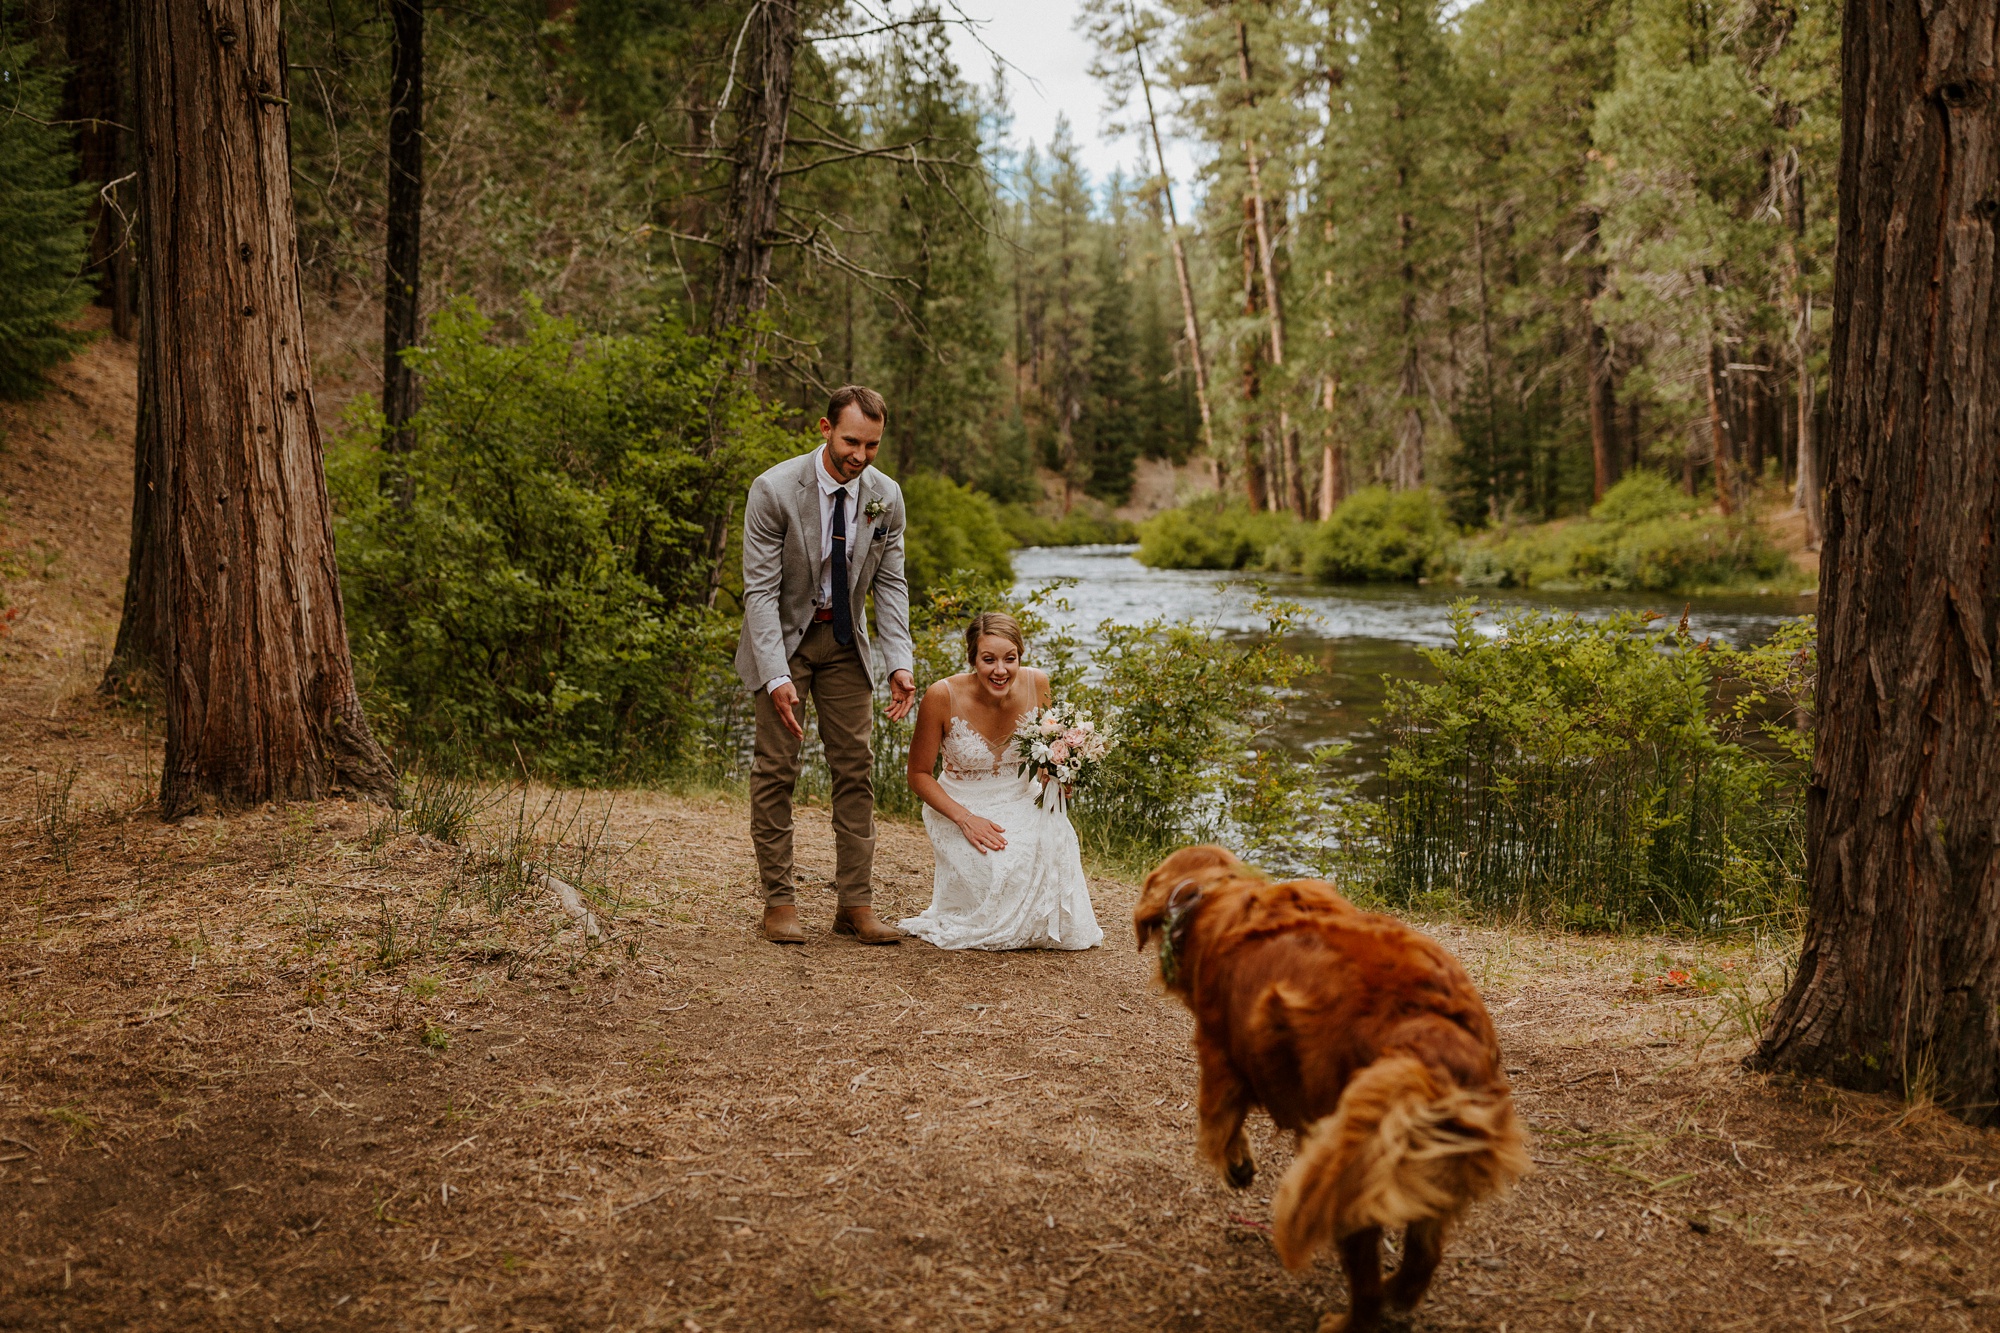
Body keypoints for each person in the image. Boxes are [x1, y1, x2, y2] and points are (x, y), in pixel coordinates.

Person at [735, 386, 916, 945]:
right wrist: (776, 676)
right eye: (851, 441)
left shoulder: (886, 496)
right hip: (783, 643)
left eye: (872, 445)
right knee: (776, 770)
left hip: (845, 643)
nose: (860, 456)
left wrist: (899, 662)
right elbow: (759, 593)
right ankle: (779, 903)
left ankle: (854, 904)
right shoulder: (774, 489)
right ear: (824, 428)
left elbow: (890, 583)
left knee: (855, 770)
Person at [898, 613, 1103, 951]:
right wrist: (965, 819)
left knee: (1053, 843)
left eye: (1010, 659)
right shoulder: (941, 695)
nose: (1001, 670)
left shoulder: (1037, 683)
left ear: (1021, 655)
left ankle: (1041, 926)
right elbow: (918, 775)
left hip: (1020, 794)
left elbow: (1045, 755)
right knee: (1001, 864)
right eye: (988, 659)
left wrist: (1058, 777)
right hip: (960, 803)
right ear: (972, 659)